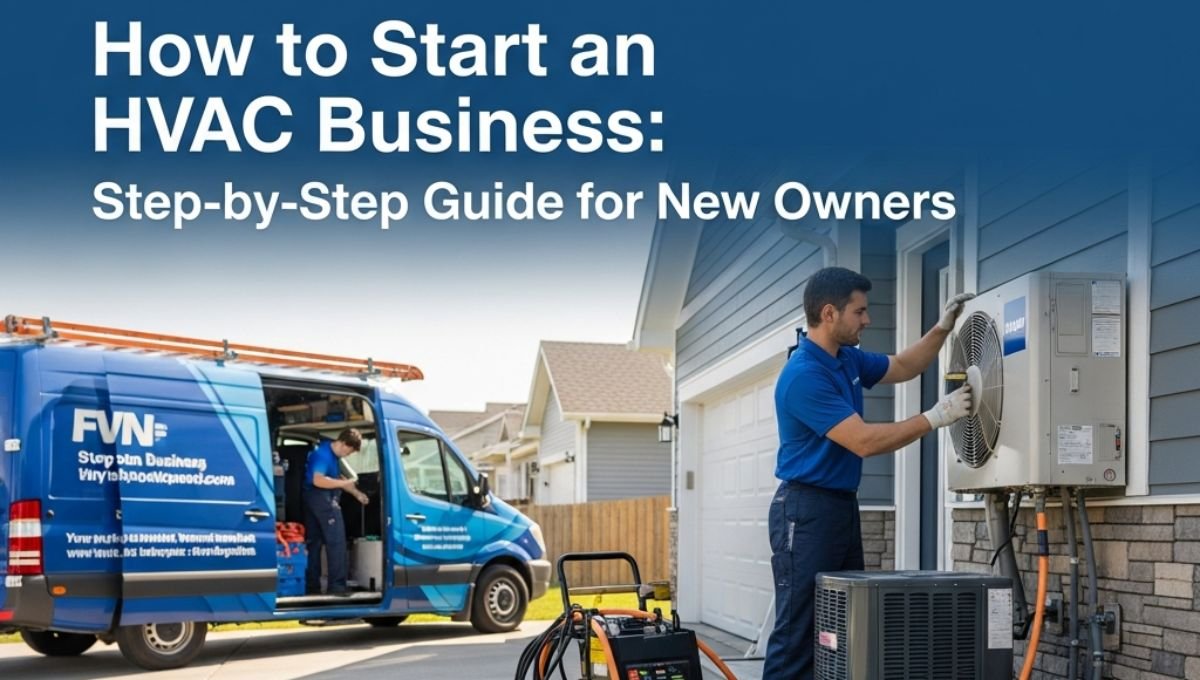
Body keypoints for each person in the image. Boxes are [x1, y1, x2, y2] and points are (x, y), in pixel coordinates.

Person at [763, 266, 974, 680]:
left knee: (840, 623)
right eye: (859, 311)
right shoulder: (804, 375)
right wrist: (935, 417)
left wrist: (942, 328)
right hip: (805, 512)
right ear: (829, 314)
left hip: (840, 507)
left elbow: (903, 366)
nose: (867, 319)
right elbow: (863, 441)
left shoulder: (847, 359)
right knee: (798, 630)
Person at [303, 427, 370, 596]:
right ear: (344, 444)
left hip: (311, 499)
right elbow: (318, 480)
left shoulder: (330, 454)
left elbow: (336, 478)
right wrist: (343, 485)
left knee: (314, 544)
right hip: (322, 499)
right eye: (350, 452)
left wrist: (356, 493)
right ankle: (337, 588)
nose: (348, 455)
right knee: (337, 542)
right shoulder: (323, 455)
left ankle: (313, 588)